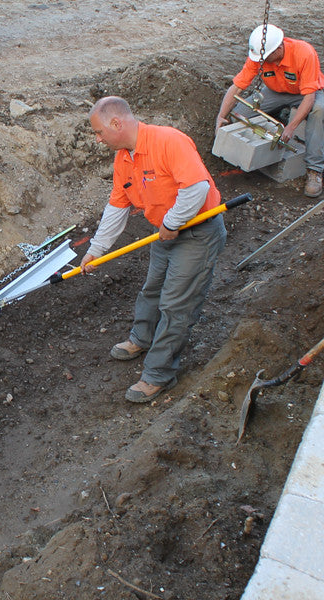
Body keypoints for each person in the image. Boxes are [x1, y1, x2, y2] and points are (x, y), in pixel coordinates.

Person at [81, 97, 227, 403]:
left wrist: (173, 221)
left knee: (176, 305)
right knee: (152, 290)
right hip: (165, 233)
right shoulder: (124, 159)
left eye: (99, 132)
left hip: (198, 232)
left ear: (116, 124)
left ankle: (159, 374)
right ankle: (141, 339)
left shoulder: (168, 141)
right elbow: (117, 206)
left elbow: (197, 188)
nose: (98, 139)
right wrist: (96, 249)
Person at [216, 24, 324, 197]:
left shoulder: (304, 53)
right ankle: (254, 150)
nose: (261, 62)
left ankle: (315, 170)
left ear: (279, 48)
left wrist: (291, 127)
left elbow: (309, 97)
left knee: (319, 112)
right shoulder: (259, 56)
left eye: (266, 58)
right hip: (275, 91)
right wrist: (221, 116)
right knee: (240, 114)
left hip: (305, 92)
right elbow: (237, 87)